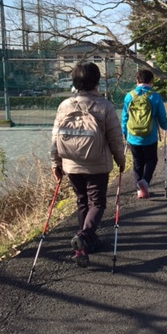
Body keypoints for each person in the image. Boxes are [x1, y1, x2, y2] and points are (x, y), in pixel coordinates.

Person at [51, 62, 126, 268]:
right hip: (97, 165)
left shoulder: (64, 105)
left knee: (82, 201)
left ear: (75, 82)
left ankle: (85, 245)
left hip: (71, 164)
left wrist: (55, 163)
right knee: (98, 203)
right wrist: (121, 160)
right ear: (97, 82)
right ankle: (84, 236)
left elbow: (55, 137)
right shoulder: (104, 106)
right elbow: (115, 139)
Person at [121, 68, 167, 199]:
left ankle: (138, 189)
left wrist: (124, 131)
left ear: (137, 81)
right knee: (151, 160)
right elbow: (162, 116)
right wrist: (164, 127)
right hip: (149, 136)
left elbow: (125, 116)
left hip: (133, 136)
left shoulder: (129, 96)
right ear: (151, 81)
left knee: (137, 162)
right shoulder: (154, 96)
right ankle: (145, 181)